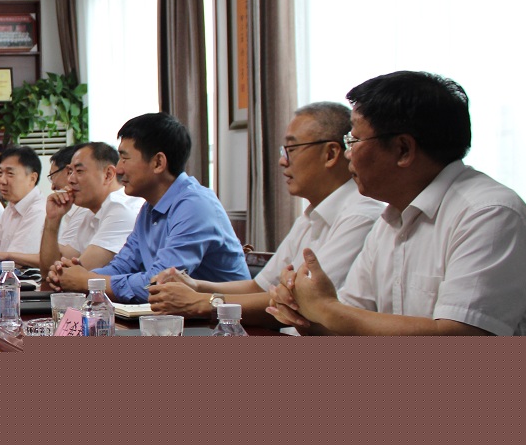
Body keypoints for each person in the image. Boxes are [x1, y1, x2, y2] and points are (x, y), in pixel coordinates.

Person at [269, 72, 526, 335]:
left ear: (403, 149)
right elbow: (350, 321)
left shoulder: (489, 214)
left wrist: (326, 309)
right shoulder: (392, 218)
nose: (348, 154)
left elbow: (461, 339)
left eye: (354, 140)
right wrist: (301, 312)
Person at [145, 102, 384, 327]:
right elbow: (260, 287)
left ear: (330, 154)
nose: (282, 161)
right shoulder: (310, 216)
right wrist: (196, 286)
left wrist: (202, 302)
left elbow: (301, 303)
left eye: (291, 149)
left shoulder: (360, 216)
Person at [50, 112, 248, 300]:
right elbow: (122, 265)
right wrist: (72, 276)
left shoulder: (195, 206)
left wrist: (88, 282)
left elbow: (159, 282)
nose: (119, 168)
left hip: (225, 320)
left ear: (158, 163)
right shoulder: (149, 208)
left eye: (125, 158)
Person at [39, 141, 143, 276]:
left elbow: (75, 276)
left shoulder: (121, 210)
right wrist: (52, 219)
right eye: (70, 171)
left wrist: (57, 273)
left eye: (79, 171)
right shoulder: (91, 212)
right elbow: (50, 269)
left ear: (108, 175)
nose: (70, 179)